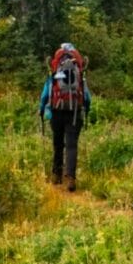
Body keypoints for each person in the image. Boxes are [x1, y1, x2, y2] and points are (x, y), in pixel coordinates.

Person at [39, 41, 91, 190]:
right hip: (74, 111)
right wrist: (86, 109)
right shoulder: (79, 72)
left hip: (56, 110)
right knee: (71, 145)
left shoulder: (55, 71)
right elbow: (86, 96)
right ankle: (70, 178)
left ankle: (56, 175)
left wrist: (42, 109)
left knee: (58, 143)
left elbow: (46, 92)